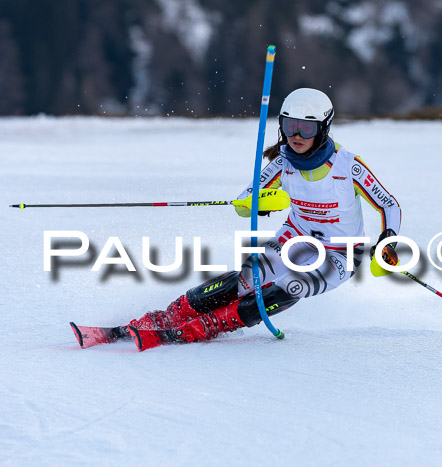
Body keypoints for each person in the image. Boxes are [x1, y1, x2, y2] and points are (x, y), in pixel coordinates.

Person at [84, 88, 402, 351]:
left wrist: (388, 238)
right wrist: (257, 203)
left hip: (340, 254)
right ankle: (168, 317)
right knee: (246, 279)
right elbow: (245, 198)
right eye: (290, 126)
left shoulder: (348, 166)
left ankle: (207, 327)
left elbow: (389, 205)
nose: (296, 135)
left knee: (290, 286)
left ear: (323, 128)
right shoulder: (282, 163)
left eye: (306, 128)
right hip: (295, 239)